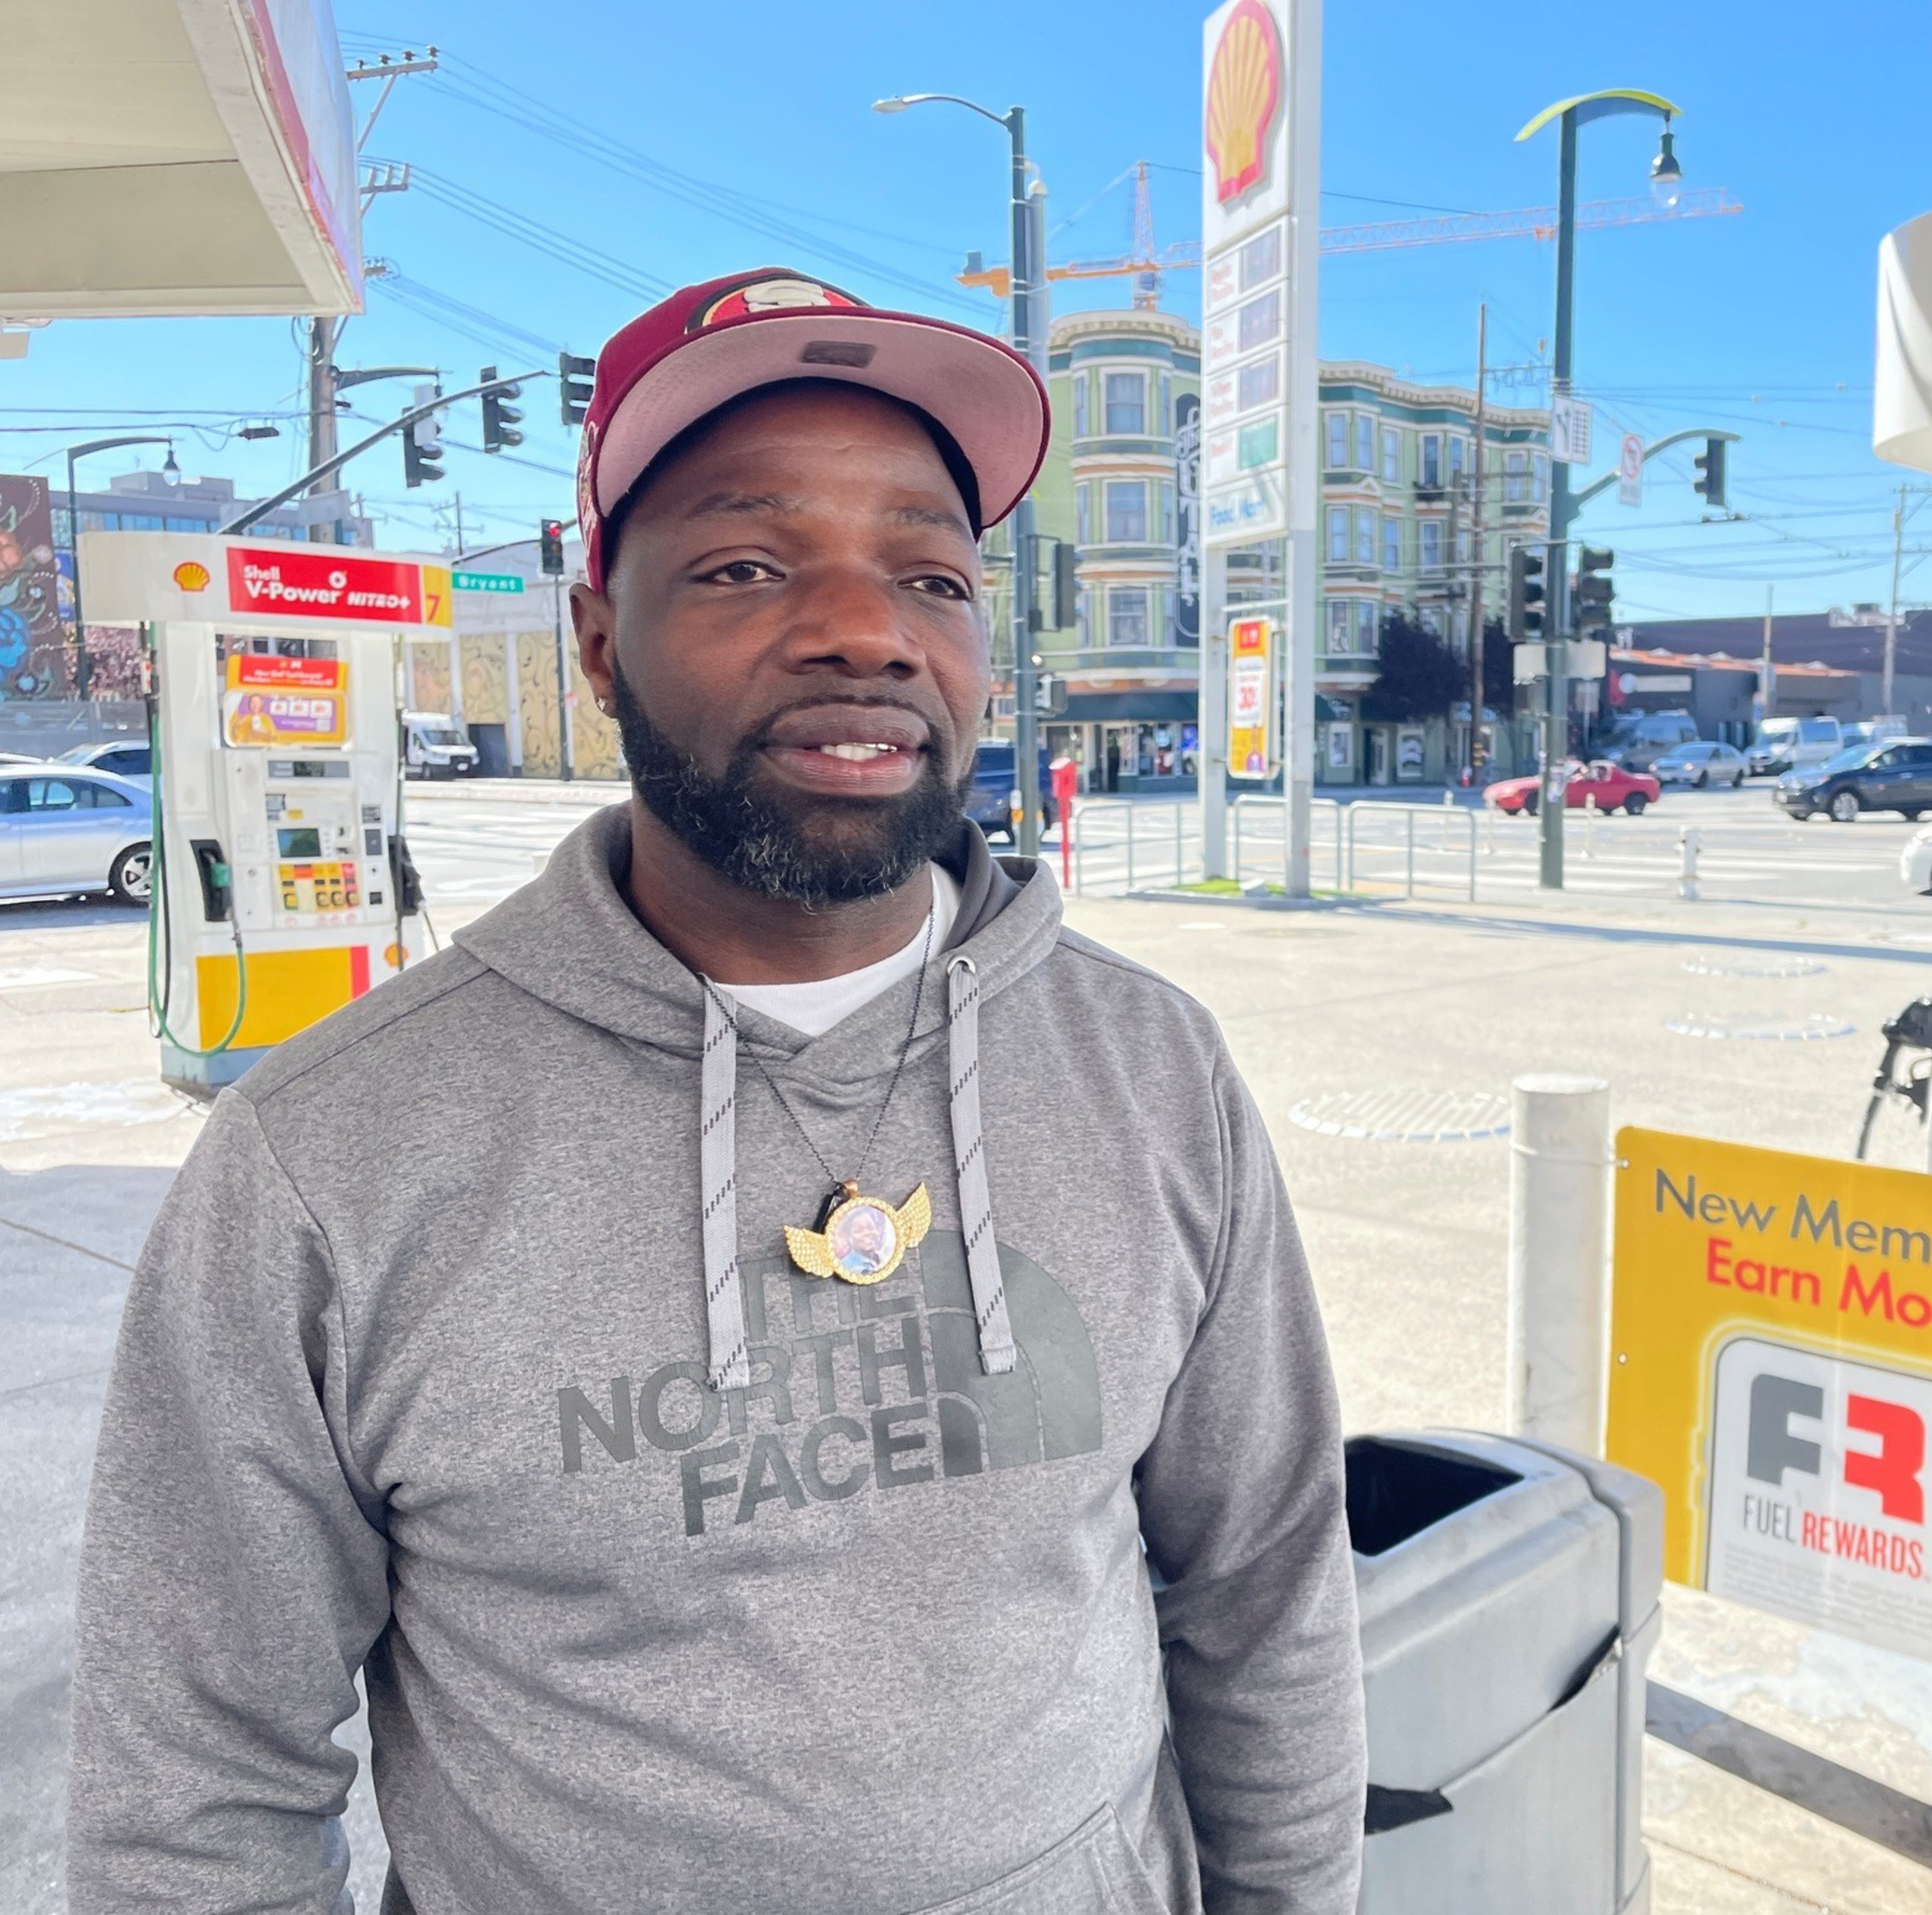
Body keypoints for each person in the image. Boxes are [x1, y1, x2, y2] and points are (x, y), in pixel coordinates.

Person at [68, 269, 1366, 1914]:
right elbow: (199, 1784)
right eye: (746, 565)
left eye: (932, 575)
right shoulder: (329, 1156)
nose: (865, 630)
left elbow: (1265, 1591)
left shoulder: (1153, 1066)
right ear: (598, 644)